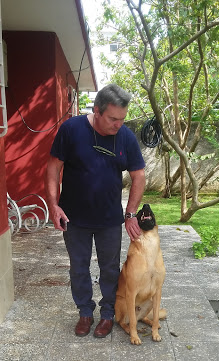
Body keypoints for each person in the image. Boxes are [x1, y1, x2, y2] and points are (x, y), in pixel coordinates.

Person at [45, 84, 146, 338]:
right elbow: (53, 168)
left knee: (110, 269)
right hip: (74, 218)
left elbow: (139, 175)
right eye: (113, 118)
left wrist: (130, 212)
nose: (118, 125)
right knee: (78, 268)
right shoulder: (71, 129)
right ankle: (85, 312)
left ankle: (108, 314)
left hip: (109, 220)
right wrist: (53, 205)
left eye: (122, 119)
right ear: (97, 111)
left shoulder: (126, 137)